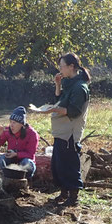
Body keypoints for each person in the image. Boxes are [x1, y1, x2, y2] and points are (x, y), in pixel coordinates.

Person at [46, 52, 91, 206]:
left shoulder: (80, 87)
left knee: (70, 165)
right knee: (59, 164)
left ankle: (73, 197)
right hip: (61, 131)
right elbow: (60, 100)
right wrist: (58, 85)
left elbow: (74, 110)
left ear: (72, 67)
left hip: (70, 133)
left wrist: (52, 110)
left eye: (62, 66)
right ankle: (63, 193)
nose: (60, 69)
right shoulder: (69, 83)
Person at [0, 106, 38, 178]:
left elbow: (31, 155)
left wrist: (16, 154)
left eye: (14, 123)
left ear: (22, 124)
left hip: (24, 160)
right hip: (11, 159)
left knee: (28, 164)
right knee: (1, 159)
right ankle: (5, 180)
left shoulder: (32, 134)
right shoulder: (7, 131)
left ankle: (25, 182)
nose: (11, 125)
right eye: (10, 122)